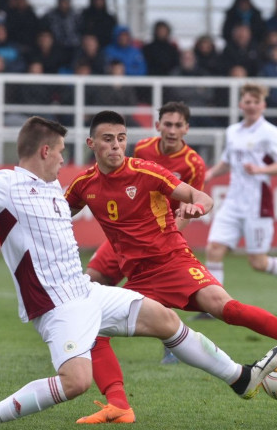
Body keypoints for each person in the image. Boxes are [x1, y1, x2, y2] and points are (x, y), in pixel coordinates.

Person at [0, 115, 277, 430]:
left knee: (165, 319)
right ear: (44, 152)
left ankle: (240, 378)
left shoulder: (55, 188)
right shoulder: (5, 185)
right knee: (76, 383)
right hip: (55, 306)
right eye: (60, 152)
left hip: (86, 292)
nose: (63, 159)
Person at [66, 110, 277, 423]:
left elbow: (199, 195)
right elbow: (58, 215)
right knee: (91, 327)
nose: (117, 146)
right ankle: (119, 405)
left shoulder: (146, 172)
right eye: (108, 140)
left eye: (121, 139)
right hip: (139, 277)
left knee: (225, 308)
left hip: (172, 260)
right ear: (91, 143)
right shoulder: (83, 185)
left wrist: (197, 206)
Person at [86, 102, 207, 362]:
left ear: (186, 129)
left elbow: (190, 206)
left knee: (155, 290)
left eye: (177, 125)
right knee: (91, 281)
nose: (172, 130)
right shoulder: (142, 149)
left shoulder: (194, 163)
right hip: (125, 234)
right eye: (168, 124)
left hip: (161, 232)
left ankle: (174, 341)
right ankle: (82, 343)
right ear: (158, 126)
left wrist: (170, 237)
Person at [205, 83, 277, 312]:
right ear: (241, 104)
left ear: (263, 105)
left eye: (256, 102)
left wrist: (260, 170)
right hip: (233, 200)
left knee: (258, 262)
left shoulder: (270, 132)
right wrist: (208, 175)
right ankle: (214, 307)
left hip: (257, 203)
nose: (252, 106)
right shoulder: (232, 131)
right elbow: (227, 162)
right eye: (248, 101)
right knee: (214, 249)